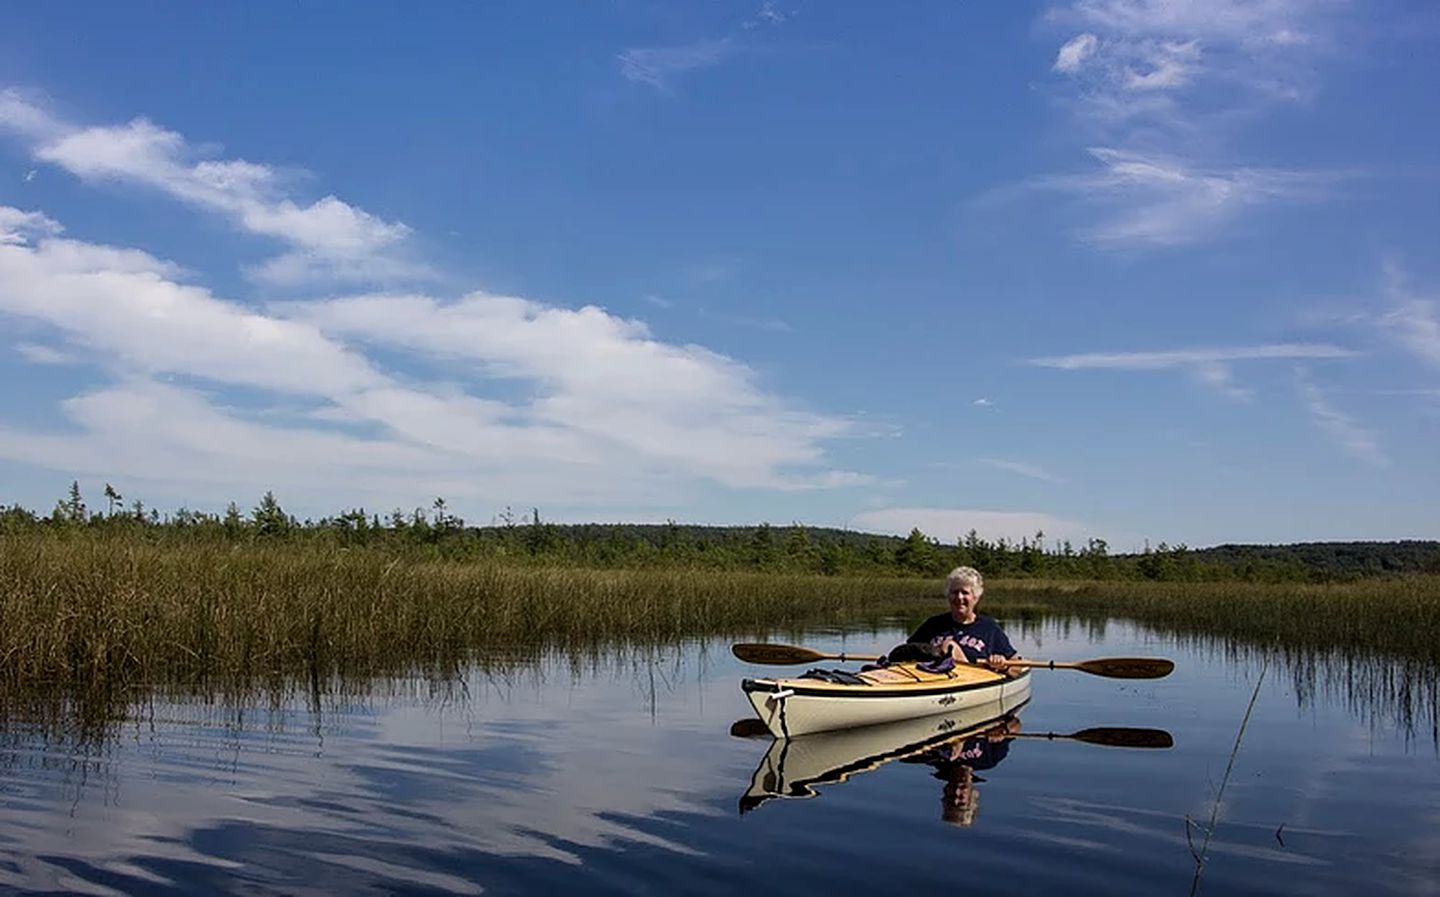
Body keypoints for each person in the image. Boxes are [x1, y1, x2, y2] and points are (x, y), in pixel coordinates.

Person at [888, 566, 1020, 674]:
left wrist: (1003, 665)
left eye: (965, 592)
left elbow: (1017, 668)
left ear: (975, 597)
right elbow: (907, 652)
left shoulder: (989, 627)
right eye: (954, 592)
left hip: (970, 681)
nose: (959, 597)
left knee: (949, 646)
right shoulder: (933, 624)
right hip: (931, 679)